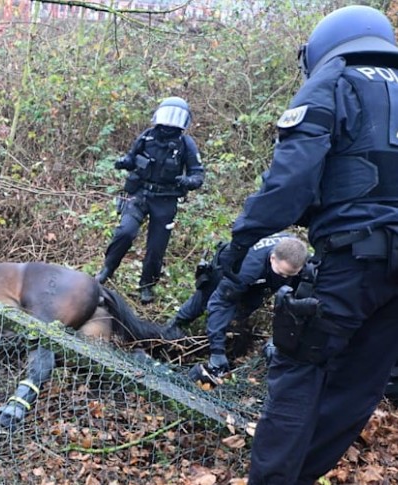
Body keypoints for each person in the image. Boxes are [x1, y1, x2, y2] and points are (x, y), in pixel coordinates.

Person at [210, 6, 398, 483]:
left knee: (297, 366)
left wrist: (240, 244)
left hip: (354, 259)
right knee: (358, 386)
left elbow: (289, 184)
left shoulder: (334, 81)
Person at [95, 97, 204, 303]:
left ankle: (147, 285)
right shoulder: (147, 136)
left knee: (156, 247)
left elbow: (198, 174)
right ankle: (108, 269)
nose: (169, 122)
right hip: (140, 194)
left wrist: (188, 181)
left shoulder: (185, 144)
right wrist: (124, 163)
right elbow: (132, 157)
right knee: (125, 232)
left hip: (166, 200)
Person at [178, 235, 309, 385]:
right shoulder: (247, 268)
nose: (285, 278)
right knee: (205, 299)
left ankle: (231, 345)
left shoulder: (299, 258)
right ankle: (177, 326)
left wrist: (278, 339)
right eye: (281, 274)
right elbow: (221, 304)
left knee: (244, 310)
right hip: (228, 270)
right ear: (273, 258)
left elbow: (301, 301)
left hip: (262, 281)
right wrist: (217, 351)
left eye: (289, 275)